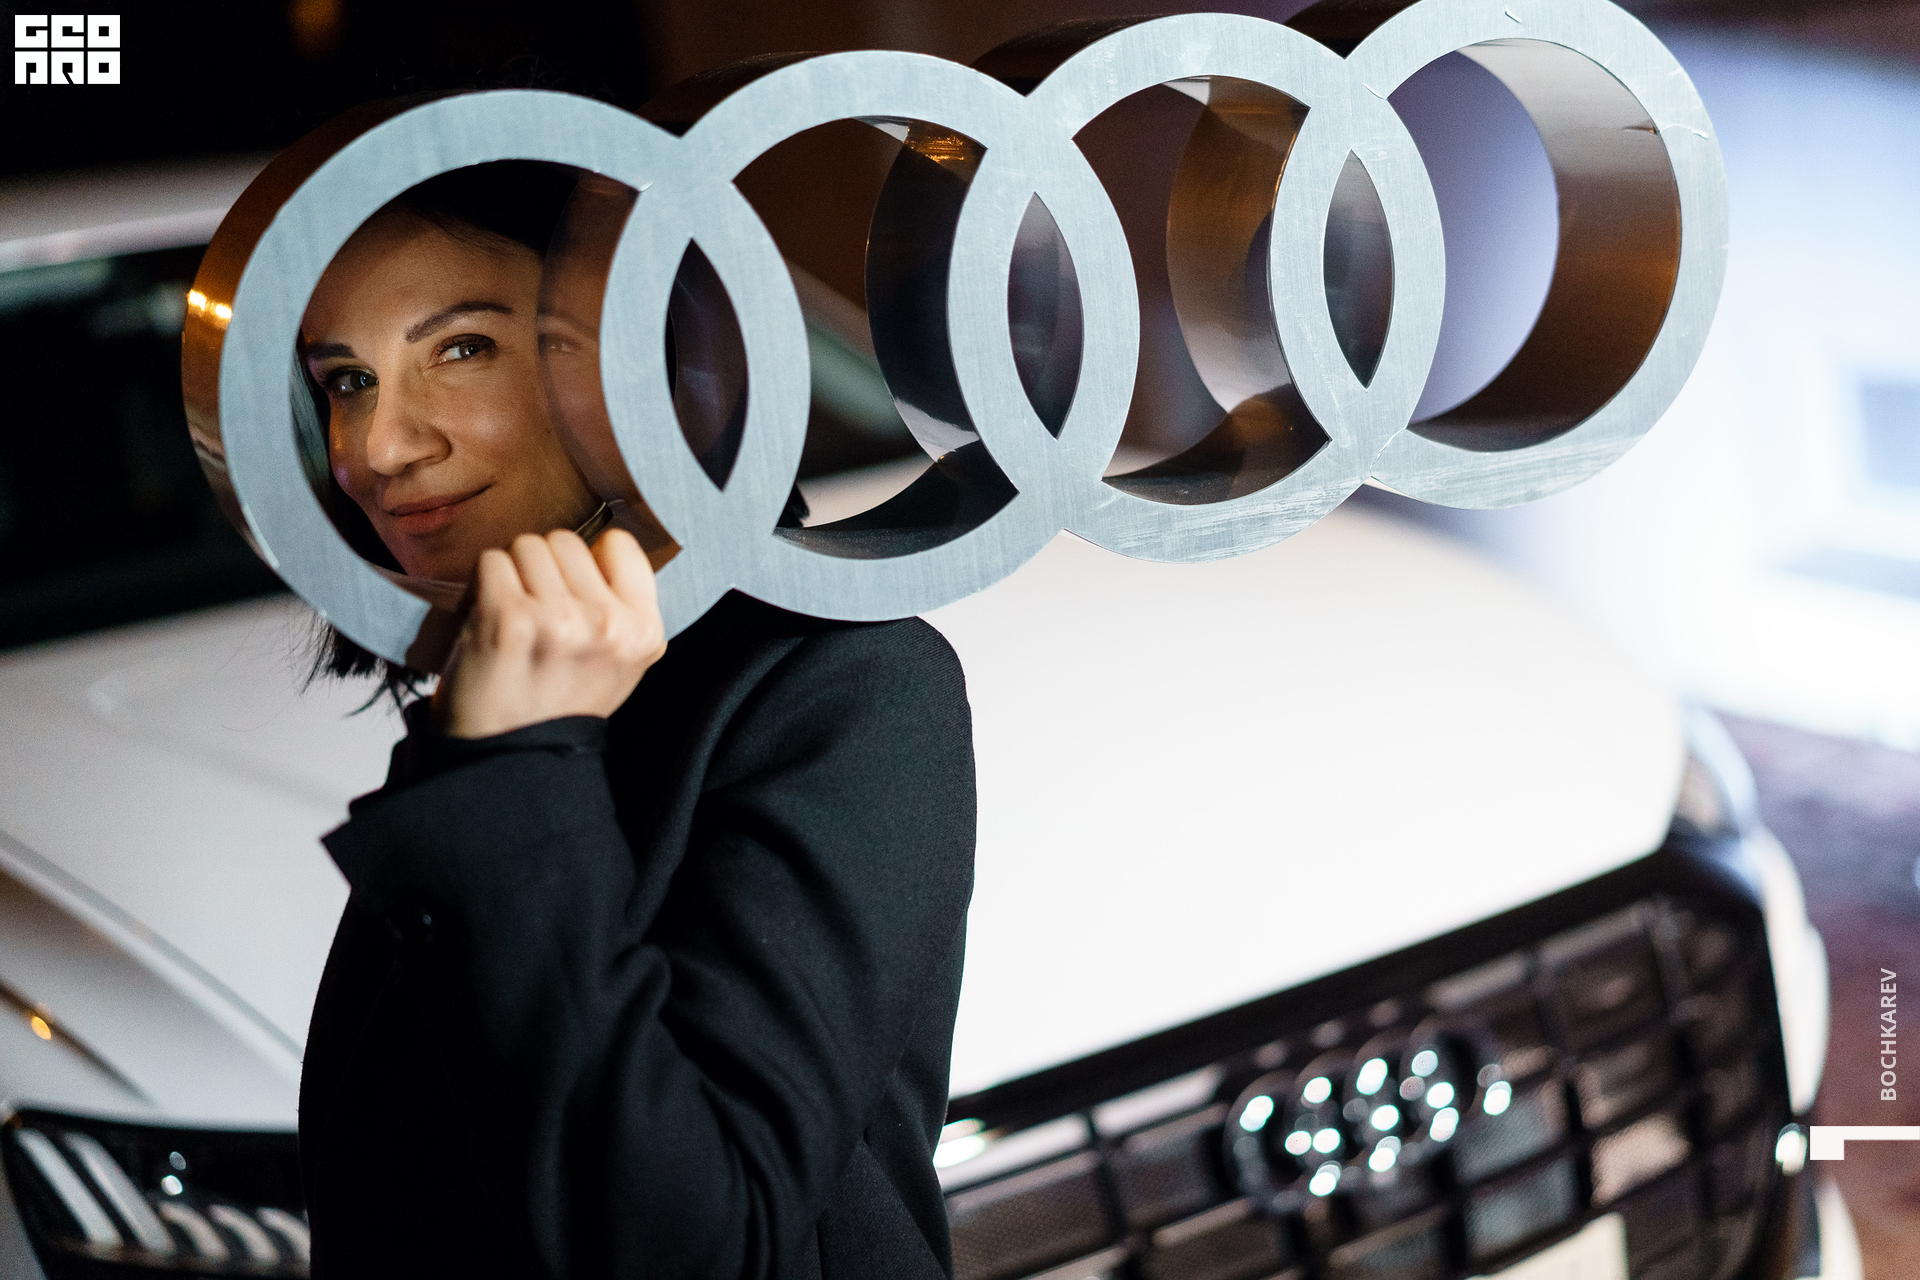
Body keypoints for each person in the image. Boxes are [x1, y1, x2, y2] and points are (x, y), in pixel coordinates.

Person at [293, 162, 977, 1279]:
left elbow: (691, 1241)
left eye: (461, 349)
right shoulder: (498, 701)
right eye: (347, 380)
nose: (376, 448)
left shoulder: (839, 682)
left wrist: (510, 770)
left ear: (632, 350)